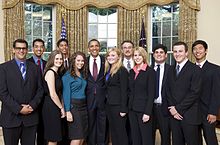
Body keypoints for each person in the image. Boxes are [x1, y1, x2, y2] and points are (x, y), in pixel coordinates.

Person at [0, 39, 44, 145]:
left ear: (27, 50)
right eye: (18, 48)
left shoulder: (35, 68)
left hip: (31, 118)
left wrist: (32, 106)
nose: (21, 50)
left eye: (24, 48)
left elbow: (40, 89)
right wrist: (19, 109)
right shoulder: (3, 68)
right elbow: (2, 93)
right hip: (11, 118)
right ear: (13, 50)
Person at [166, 41, 202, 145]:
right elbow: (167, 90)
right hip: (174, 116)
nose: (177, 54)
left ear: (186, 53)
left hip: (189, 116)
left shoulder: (195, 69)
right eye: (175, 51)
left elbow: (194, 93)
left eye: (180, 51)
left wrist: (178, 109)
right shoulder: (170, 69)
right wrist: (172, 108)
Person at [192, 40, 220, 145]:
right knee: (194, 140)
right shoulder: (189, 69)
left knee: (210, 139)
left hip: (208, 112)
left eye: (200, 48)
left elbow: (217, 93)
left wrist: (213, 112)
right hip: (192, 112)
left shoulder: (215, 69)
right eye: (195, 49)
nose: (197, 51)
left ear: (206, 50)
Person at [128, 47, 155, 145]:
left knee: (146, 138)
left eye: (139, 55)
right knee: (135, 137)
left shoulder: (150, 71)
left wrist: (147, 112)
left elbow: (151, 94)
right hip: (132, 110)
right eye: (135, 55)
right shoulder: (131, 71)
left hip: (144, 111)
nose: (137, 57)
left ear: (143, 56)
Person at [62, 51, 88, 145]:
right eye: (78, 60)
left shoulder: (82, 74)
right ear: (73, 61)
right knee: (77, 137)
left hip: (83, 107)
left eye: (82, 61)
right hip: (74, 108)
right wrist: (68, 111)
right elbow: (66, 94)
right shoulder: (67, 76)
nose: (80, 63)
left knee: (82, 137)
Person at [104, 48, 129, 145]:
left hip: (118, 106)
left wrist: (123, 109)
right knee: (113, 132)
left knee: (120, 132)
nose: (110, 57)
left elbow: (124, 91)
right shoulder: (108, 70)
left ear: (119, 57)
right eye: (109, 55)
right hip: (109, 105)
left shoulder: (122, 70)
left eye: (113, 55)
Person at [86, 39, 108, 145]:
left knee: (102, 124)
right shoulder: (83, 61)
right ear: (88, 48)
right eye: (92, 46)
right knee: (90, 123)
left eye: (96, 46)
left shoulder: (106, 61)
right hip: (88, 98)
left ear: (99, 48)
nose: (94, 48)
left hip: (102, 98)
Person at [42, 50, 65, 145]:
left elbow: (59, 93)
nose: (59, 61)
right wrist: (61, 108)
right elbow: (53, 94)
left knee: (55, 135)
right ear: (52, 59)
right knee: (53, 136)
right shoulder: (50, 73)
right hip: (50, 106)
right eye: (57, 59)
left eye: (61, 59)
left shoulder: (57, 73)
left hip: (54, 105)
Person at [27, 38, 47, 145]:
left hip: (44, 103)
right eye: (36, 46)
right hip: (31, 102)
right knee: (29, 134)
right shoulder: (26, 63)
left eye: (41, 46)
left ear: (44, 49)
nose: (39, 49)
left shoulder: (47, 63)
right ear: (33, 48)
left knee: (42, 131)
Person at [152, 44, 171, 145]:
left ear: (166, 55)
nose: (159, 54)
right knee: (149, 136)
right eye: (156, 52)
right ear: (153, 55)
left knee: (165, 136)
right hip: (149, 108)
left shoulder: (171, 69)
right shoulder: (147, 69)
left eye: (161, 52)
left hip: (164, 108)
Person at [56, 38, 70, 145]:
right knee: (60, 125)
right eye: (61, 45)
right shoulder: (56, 63)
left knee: (69, 126)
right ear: (58, 48)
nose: (64, 47)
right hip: (59, 97)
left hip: (70, 98)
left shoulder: (73, 61)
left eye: (66, 45)